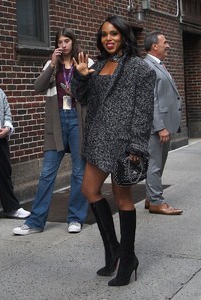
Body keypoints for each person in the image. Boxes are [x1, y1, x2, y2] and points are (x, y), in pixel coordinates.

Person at [71, 16, 155, 287]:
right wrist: (81, 76)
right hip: (98, 140)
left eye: (114, 34)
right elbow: (81, 98)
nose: (108, 39)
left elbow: (143, 111)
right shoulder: (97, 65)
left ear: (124, 36)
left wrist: (137, 145)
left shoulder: (139, 68)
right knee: (89, 189)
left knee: (122, 199)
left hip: (123, 143)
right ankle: (114, 249)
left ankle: (127, 258)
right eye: (105, 34)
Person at [13, 28, 93, 235]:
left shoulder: (85, 61)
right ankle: (35, 222)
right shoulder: (52, 65)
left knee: (78, 172)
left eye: (67, 41)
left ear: (73, 42)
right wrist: (52, 64)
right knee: (47, 174)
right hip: (57, 122)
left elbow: (94, 92)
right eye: (60, 41)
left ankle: (75, 218)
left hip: (78, 121)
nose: (63, 45)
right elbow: (37, 87)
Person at [143, 31, 183, 215]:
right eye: (165, 42)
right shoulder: (148, 66)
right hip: (157, 127)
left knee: (158, 163)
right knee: (155, 164)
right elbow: (150, 100)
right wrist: (160, 127)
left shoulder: (158, 64)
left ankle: (151, 197)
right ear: (154, 46)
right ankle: (157, 202)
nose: (168, 45)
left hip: (164, 124)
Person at [0, 62, 30, 222]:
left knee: (5, 172)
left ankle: (12, 208)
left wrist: (7, 127)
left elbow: (7, 110)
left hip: (1, 137)